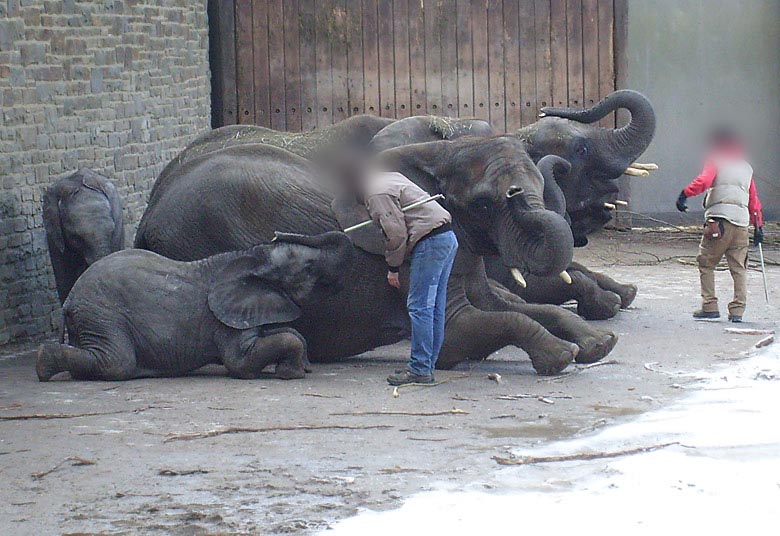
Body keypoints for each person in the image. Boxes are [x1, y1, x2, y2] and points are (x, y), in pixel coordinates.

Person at [362, 170, 458, 386]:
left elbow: (396, 234)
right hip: (447, 237)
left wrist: (393, 267)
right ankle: (426, 366)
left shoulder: (375, 193)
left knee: (420, 307)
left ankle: (420, 369)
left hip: (430, 242)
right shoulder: (390, 176)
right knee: (434, 308)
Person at [676, 127, 764, 322]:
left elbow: (704, 182)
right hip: (741, 224)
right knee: (739, 267)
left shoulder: (716, 159)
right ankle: (737, 311)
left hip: (719, 221)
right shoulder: (746, 167)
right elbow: (754, 200)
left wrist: (685, 194)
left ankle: (709, 306)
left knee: (706, 262)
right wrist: (758, 226)